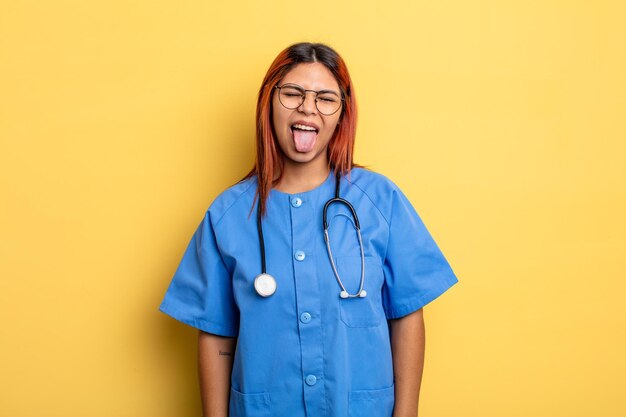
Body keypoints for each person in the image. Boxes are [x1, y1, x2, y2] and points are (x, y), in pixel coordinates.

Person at [159, 42, 458, 417]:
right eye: (293, 93)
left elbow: (407, 314)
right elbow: (217, 334)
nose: (307, 107)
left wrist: (407, 413)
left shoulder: (380, 200)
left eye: (325, 98)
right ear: (269, 101)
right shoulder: (227, 215)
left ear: (341, 114)